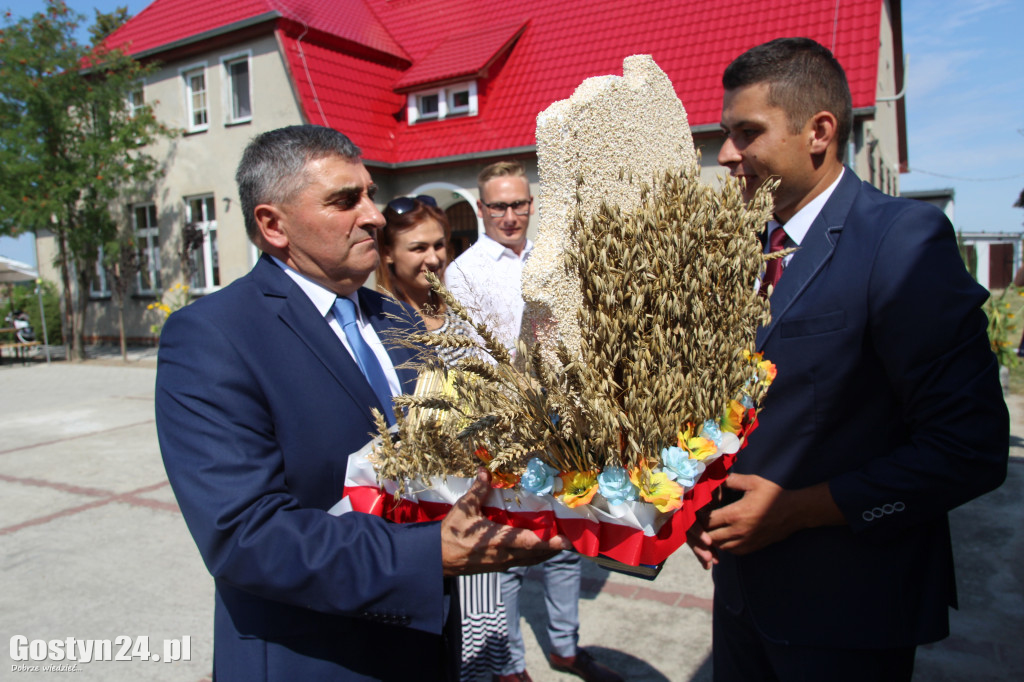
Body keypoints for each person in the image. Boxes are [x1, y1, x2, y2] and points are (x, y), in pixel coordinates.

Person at [154, 125, 569, 682]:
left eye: (369, 194)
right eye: (345, 200)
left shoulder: (396, 318)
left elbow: (451, 450)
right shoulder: (212, 336)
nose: (373, 215)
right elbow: (244, 536)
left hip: (423, 644)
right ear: (273, 225)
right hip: (314, 658)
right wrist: (427, 556)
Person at [684, 38, 1009, 682]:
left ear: (819, 131)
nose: (725, 155)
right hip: (743, 598)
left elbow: (969, 448)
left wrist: (798, 509)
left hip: (848, 609)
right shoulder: (744, 249)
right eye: (726, 134)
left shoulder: (901, 242)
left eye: (746, 133)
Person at [446, 161, 622, 682]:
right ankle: (510, 665)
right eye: (498, 205)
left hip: (567, 422)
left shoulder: (552, 258)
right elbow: (464, 360)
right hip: (506, 428)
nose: (510, 214)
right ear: (481, 210)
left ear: (530, 204)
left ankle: (566, 649)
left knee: (567, 544)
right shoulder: (465, 272)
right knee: (505, 552)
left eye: (519, 203)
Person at [377, 194, 512, 679]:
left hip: (475, 478)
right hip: (418, 497)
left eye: (440, 245)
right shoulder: (383, 318)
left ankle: (488, 669)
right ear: (388, 253)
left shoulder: (451, 308)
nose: (433, 257)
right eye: (417, 248)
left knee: (480, 608)